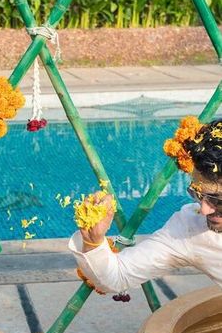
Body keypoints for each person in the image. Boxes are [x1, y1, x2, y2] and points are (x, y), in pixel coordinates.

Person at [69, 119, 222, 293]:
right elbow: (117, 277)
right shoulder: (190, 230)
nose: (204, 210)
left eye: (217, 200)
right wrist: (93, 241)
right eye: (198, 194)